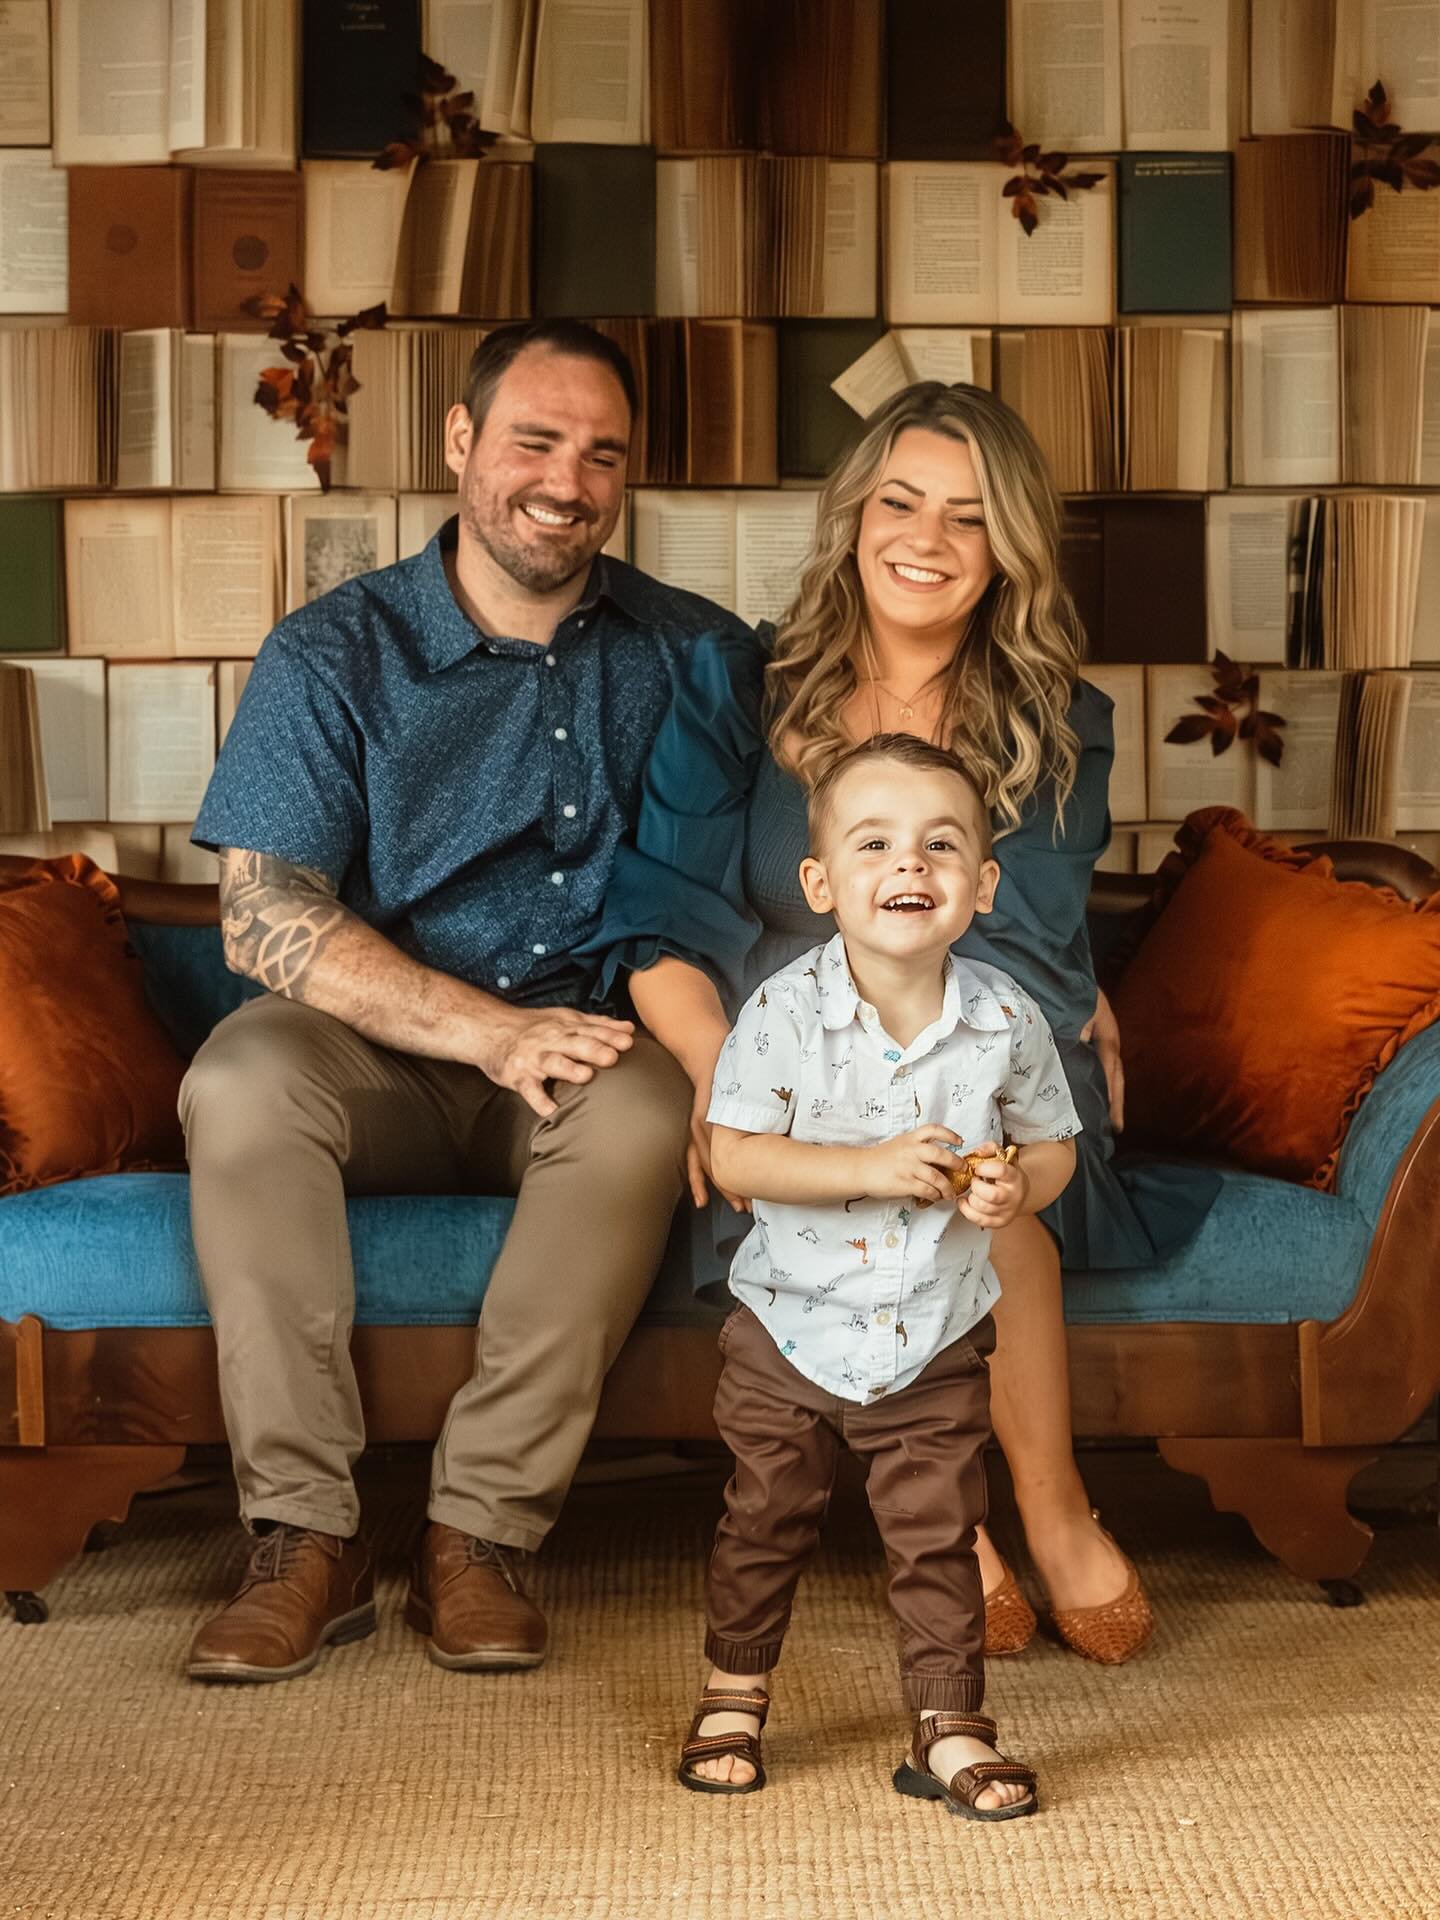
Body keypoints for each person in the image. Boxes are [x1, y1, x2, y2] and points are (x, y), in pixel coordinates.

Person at [595, 382, 1221, 1663]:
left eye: (970, 518)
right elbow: (661, 923)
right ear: (856, 514)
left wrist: (960, 1083)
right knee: (854, 1172)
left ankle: (1051, 1509)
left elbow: (1027, 945)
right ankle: (960, 1526)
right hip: (779, 1068)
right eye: (901, 501)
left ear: (1010, 554)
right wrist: (735, 1096)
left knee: (975, 1177)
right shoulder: (736, 684)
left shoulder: (1062, 722)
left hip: (980, 1048)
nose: (926, 539)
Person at [180, 320, 752, 1684]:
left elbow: (842, 818)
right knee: (237, 1082)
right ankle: (303, 1541)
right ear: (459, 441)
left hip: (593, 1043)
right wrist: (484, 1032)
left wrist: (1038, 965)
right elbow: (264, 919)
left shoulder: (698, 653)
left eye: (601, 454)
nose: (567, 480)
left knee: (637, 1118)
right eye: (535, 441)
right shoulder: (335, 650)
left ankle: (478, 1537)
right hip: (368, 1049)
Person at [675, 736, 1078, 1817]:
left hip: (935, 1333)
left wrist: (1012, 1190)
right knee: (766, 1515)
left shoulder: (1005, 1019)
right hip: (787, 1333)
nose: (912, 865)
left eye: (942, 845)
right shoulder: (782, 1011)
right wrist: (867, 1170)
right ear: (821, 884)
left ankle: (948, 1725)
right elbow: (735, 1158)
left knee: (937, 1530)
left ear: (982, 884)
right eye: (877, 844)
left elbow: (1051, 1147)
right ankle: (734, 1691)